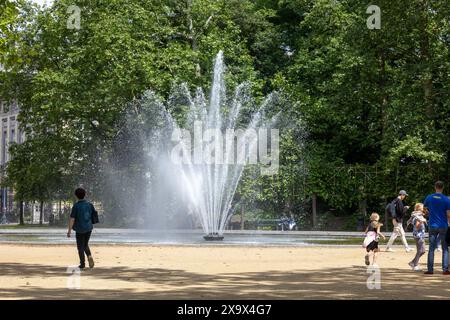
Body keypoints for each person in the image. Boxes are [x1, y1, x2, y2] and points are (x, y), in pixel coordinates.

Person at [424, 181, 450, 275]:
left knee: (431, 248)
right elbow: (448, 214)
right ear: (442, 188)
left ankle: (430, 270)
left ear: (435, 187)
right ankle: (445, 269)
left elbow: (424, 208)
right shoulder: (446, 199)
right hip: (443, 225)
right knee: (445, 248)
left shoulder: (429, 197)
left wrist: (428, 213)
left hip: (432, 225)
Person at [67, 187, 97, 269]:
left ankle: (82, 264)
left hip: (79, 229)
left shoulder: (76, 206)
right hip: (88, 228)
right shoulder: (89, 205)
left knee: (80, 247)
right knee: (85, 244)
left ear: (76, 196)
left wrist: (69, 231)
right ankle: (89, 256)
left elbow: (72, 219)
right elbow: (93, 215)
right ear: (85, 195)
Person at [408, 203, 427, 271]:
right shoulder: (418, 216)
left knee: (423, 251)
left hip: (420, 235)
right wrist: (422, 221)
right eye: (422, 207)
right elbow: (417, 226)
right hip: (418, 235)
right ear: (419, 208)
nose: (423, 208)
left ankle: (412, 262)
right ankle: (415, 265)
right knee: (420, 251)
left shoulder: (419, 215)